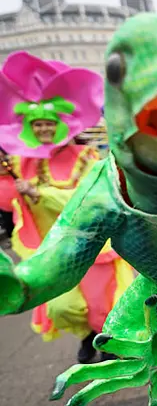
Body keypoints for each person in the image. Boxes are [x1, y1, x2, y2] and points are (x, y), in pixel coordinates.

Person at [0, 52, 134, 363]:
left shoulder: (87, 157)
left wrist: (40, 194)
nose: (44, 129)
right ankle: (87, 337)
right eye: (38, 124)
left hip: (91, 243)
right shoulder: (22, 162)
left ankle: (108, 340)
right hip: (50, 247)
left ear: (62, 124)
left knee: (103, 300)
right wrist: (8, 182)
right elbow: (9, 201)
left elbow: (91, 199)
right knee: (63, 306)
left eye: (49, 123)